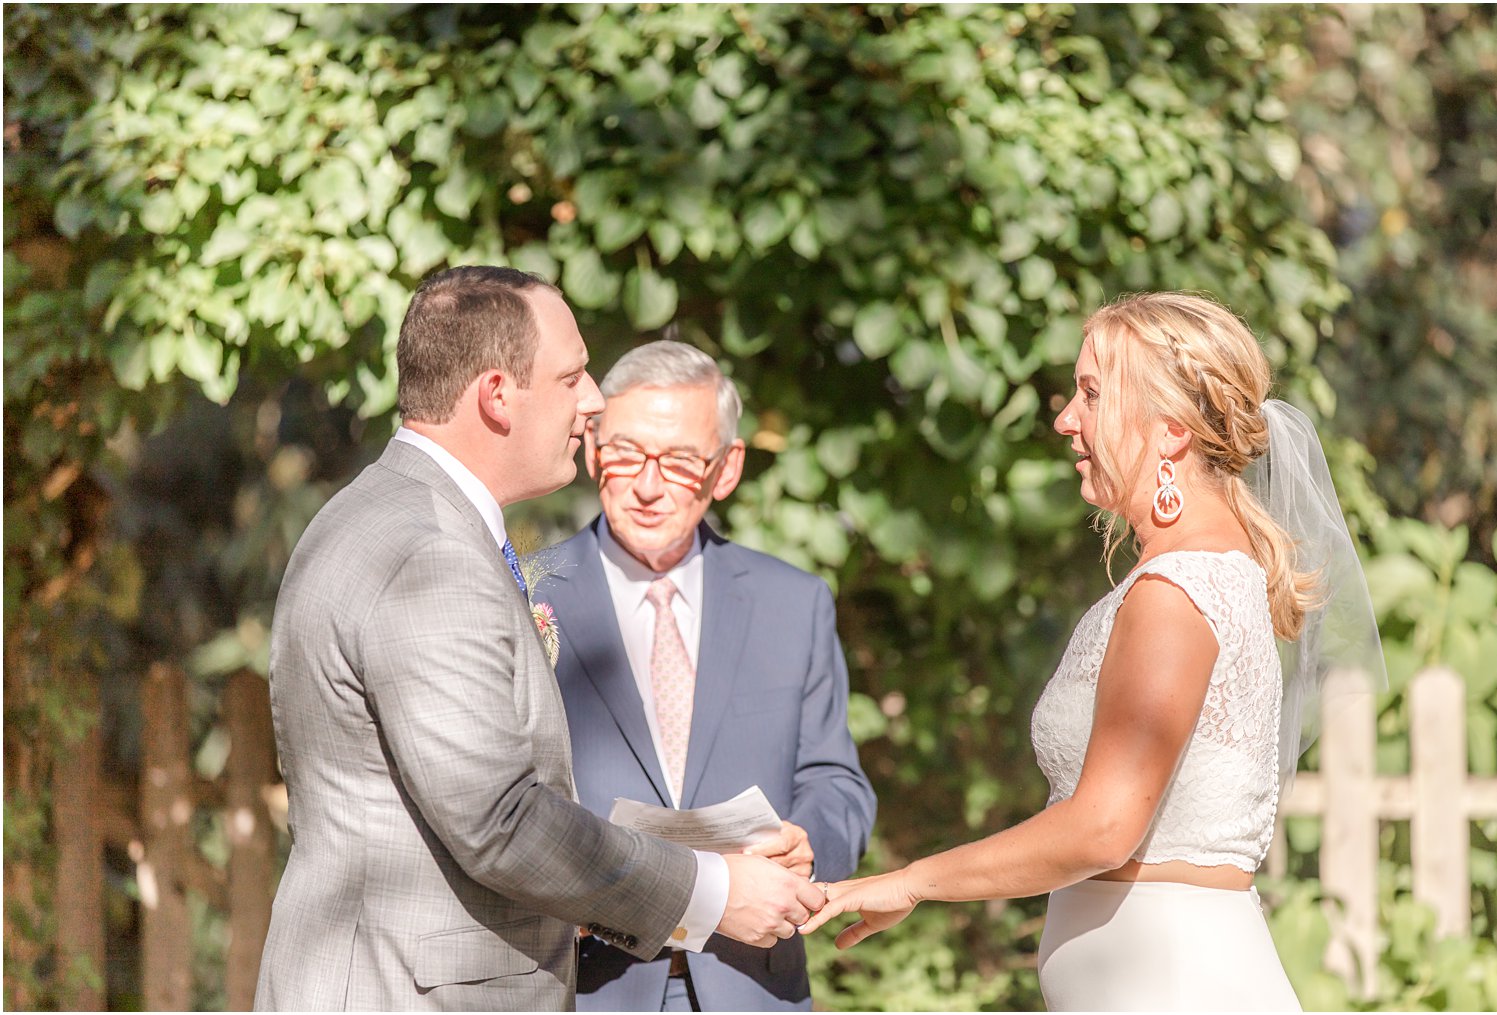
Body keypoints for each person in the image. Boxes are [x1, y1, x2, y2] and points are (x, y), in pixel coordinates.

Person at [255, 267, 825, 1012]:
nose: (592, 402)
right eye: (572, 376)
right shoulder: (430, 553)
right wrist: (712, 891)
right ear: (497, 395)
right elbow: (499, 819)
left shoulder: (381, 513)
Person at [800, 292, 1384, 1011]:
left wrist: (915, 878)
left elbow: (1105, 825)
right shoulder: (1196, 571)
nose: (1064, 419)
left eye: (1091, 394)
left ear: (1170, 430)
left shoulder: (1176, 589)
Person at [532, 341, 877, 1012]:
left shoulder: (792, 602)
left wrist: (808, 845)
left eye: (682, 460)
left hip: (752, 981)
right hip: (587, 982)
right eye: (626, 453)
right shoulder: (529, 595)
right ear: (594, 449)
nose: (649, 484)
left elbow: (838, 782)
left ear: (727, 468)